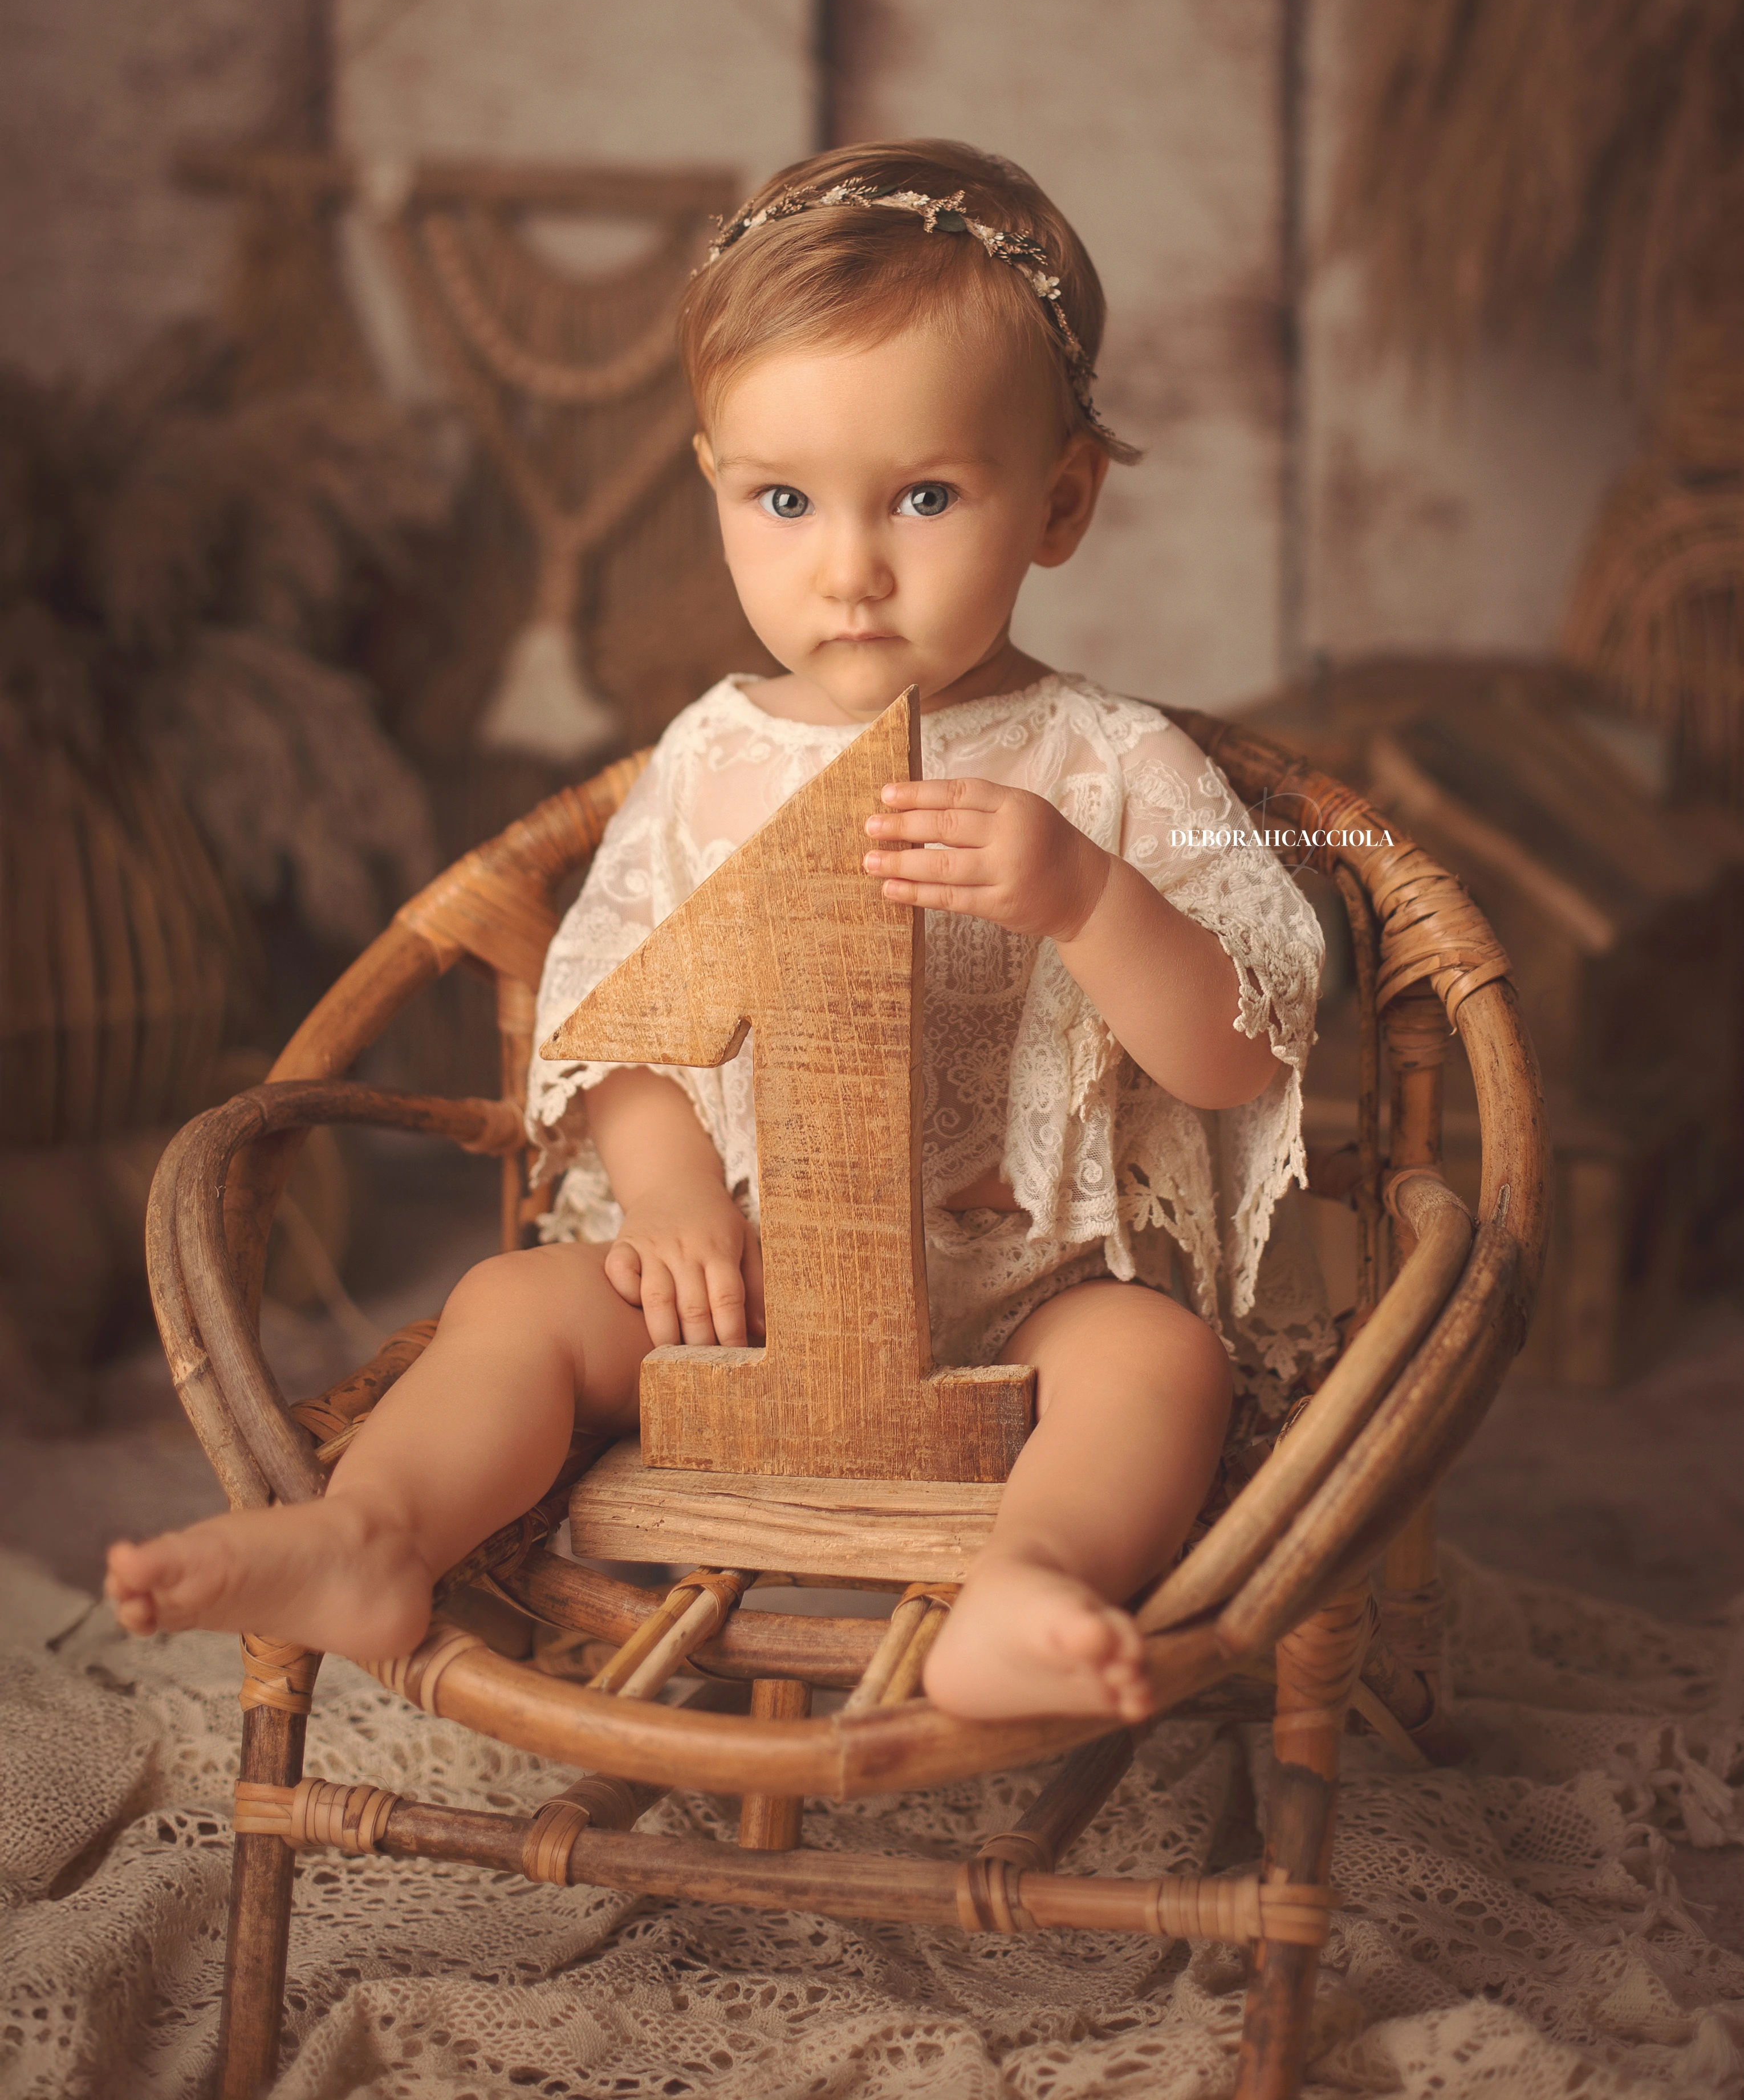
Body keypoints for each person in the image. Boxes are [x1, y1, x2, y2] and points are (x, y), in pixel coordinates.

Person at [106, 139, 1323, 1724]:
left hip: (1025, 1297)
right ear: (716, 485)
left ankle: (1034, 1582)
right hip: (743, 1288)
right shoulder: (707, 759)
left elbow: (1238, 1055)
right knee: (513, 1311)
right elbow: (613, 1018)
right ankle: (374, 1533)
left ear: (1061, 502)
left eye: (927, 496)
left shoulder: (1111, 764)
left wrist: (1088, 898)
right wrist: (674, 1197)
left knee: (1161, 1365)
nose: (851, 568)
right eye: (784, 499)